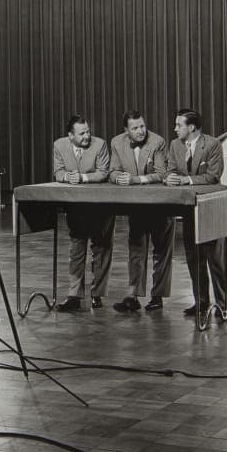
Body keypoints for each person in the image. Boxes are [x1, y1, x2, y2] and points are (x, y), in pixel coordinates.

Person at [164, 108, 227, 319]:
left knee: (215, 259)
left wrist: (187, 180)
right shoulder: (175, 145)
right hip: (189, 208)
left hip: (210, 208)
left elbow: (213, 176)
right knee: (193, 257)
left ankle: (222, 304)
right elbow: (171, 169)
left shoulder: (212, 145)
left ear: (191, 127)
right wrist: (170, 178)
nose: (175, 129)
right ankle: (200, 301)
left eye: (178, 125)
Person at [109, 110, 175, 313]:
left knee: (161, 251)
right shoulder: (117, 143)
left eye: (142, 126)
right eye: (135, 128)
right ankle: (132, 296)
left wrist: (135, 180)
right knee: (136, 250)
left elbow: (161, 173)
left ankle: (157, 297)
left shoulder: (157, 142)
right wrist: (118, 177)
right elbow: (113, 171)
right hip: (136, 205)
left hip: (160, 205)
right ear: (126, 130)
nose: (141, 131)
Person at [52, 115, 114, 312]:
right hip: (76, 207)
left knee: (101, 249)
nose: (87, 136)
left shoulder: (100, 145)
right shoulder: (59, 145)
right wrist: (66, 176)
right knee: (76, 249)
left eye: (88, 131)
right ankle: (74, 296)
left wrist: (82, 177)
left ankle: (97, 294)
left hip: (100, 205)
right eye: (82, 133)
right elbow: (58, 172)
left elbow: (103, 172)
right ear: (70, 136)